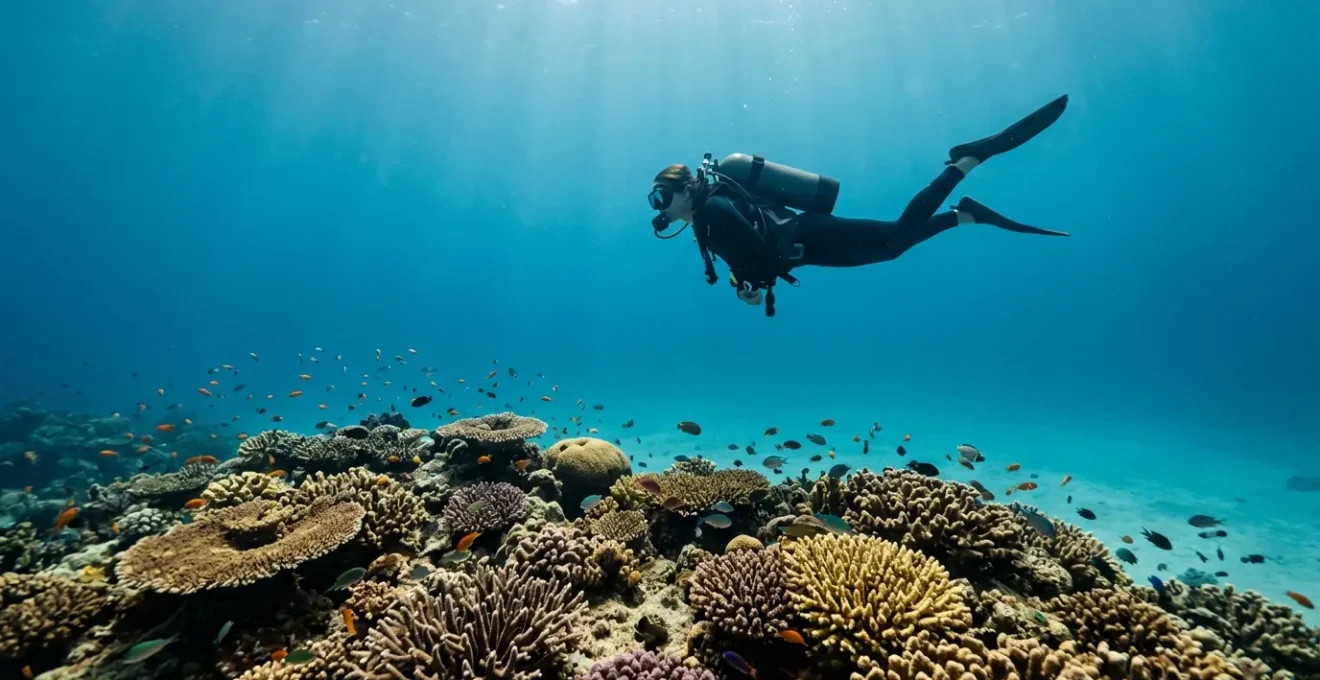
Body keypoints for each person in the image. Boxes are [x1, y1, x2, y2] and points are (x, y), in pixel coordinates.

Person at [647, 95, 1071, 316]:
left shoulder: (712, 212)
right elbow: (747, 250)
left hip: (808, 237)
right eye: (655, 201)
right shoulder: (708, 215)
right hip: (806, 245)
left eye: (661, 196)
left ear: (685, 189)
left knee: (894, 236)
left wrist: (749, 285)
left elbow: (754, 253)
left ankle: (967, 161)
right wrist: (746, 281)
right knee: (892, 246)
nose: (659, 208)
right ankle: (964, 214)